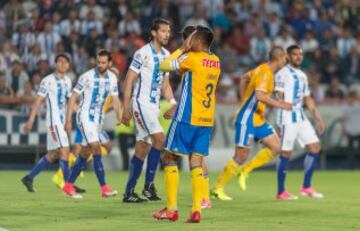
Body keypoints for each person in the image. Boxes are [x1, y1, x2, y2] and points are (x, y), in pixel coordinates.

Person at [153, 25, 220, 223]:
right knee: (196, 162)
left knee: (169, 156)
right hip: (206, 120)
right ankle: (196, 209)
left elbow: (164, 65)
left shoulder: (191, 57)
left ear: (198, 42)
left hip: (187, 117)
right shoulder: (216, 61)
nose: (189, 42)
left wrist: (183, 48)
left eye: (192, 40)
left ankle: (172, 209)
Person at [211, 46, 291, 201]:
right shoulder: (266, 74)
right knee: (240, 156)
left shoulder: (261, 68)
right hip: (246, 119)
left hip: (258, 119)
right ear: (279, 58)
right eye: (285, 59)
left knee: (276, 147)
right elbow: (260, 96)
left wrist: (243, 99)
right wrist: (281, 105)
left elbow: (243, 78)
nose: (285, 62)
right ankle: (217, 188)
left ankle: (245, 171)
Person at [121, 18, 175, 203]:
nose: (167, 34)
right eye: (163, 31)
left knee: (142, 148)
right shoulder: (142, 53)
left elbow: (165, 85)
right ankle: (149, 186)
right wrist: (126, 107)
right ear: (153, 33)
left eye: (168, 31)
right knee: (160, 139)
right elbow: (129, 80)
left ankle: (129, 192)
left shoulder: (168, 55)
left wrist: (173, 102)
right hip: (141, 103)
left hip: (154, 106)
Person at [62, 50, 122, 199]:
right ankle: (104, 188)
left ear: (109, 63)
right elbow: (73, 97)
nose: (100, 65)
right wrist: (69, 119)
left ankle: (68, 185)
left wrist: (119, 115)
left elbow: (115, 98)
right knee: (96, 147)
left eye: (103, 62)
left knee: (85, 152)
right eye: (98, 62)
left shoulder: (113, 78)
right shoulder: (87, 77)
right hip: (84, 117)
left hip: (97, 121)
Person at [270, 45, 325, 199]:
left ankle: (306, 187)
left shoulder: (302, 75)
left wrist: (318, 118)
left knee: (314, 147)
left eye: (300, 54)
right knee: (286, 152)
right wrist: (280, 112)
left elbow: (307, 98)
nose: (299, 57)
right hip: (287, 116)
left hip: (300, 115)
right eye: (295, 54)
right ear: (288, 56)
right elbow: (278, 94)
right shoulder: (282, 73)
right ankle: (281, 191)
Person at [21, 53, 72, 193]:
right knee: (65, 150)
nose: (62, 64)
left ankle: (29, 178)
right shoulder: (48, 80)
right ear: (55, 64)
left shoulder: (68, 81)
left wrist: (69, 120)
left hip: (61, 123)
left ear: (68, 65)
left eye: (65, 62)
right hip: (53, 121)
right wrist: (30, 120)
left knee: (53, 154)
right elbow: (38, 100)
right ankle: (68, 186)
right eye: (59, 61)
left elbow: (70, 102)